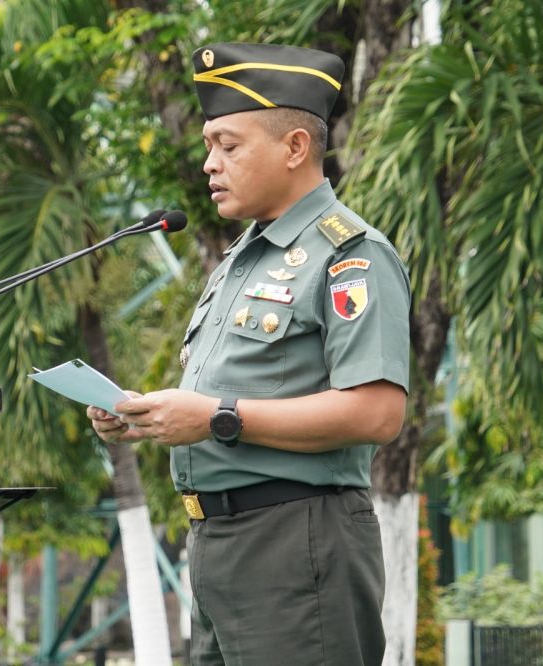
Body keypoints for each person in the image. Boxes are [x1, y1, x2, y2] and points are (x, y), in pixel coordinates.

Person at [87, 42, 410, 666]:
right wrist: (144, 415)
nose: (210, 164)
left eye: (228, 146)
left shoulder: (349, 254)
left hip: (296, 542)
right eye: (209, 145)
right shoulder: (242, 259)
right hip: (215, 544)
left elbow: (376, 413)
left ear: (295, 147)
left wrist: (216, 417)